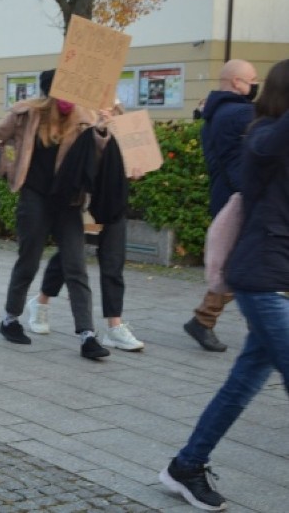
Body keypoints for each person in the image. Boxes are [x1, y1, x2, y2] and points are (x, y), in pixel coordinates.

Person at [159, 59, 289, 512]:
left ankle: (186, 466)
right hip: (259, 276)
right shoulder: (261, 134)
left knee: (243, 384)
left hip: (275, 274)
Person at [0, 69, 109, 360]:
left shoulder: (84, 118)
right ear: (50, 92)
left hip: (68, 201)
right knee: (28, 260)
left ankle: (87, 335)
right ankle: (10, 319)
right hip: (34, 197)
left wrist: (103, 130)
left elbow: (98, 157)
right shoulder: (26, 114)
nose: (69, 99)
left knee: (76, 266)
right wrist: (8, 170)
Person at [26, 101, 145, 352]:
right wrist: (99, 130)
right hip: (79, 196)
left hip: (111, 197)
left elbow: (133, 153)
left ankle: (114, 325)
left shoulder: (119, 113)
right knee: (72, 257)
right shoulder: (78, 113)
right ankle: (41, 301)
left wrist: (136, 167)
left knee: (113, 260)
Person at [184, 59, 257, 352]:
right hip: (240, 199)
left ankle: (205, 320)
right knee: (248, 264)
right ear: (237, 82)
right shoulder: (240, 113)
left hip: (228, 197)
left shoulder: (215, 112)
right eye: (252, 80)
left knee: (244, 263)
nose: (255, 85)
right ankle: (207, 320)